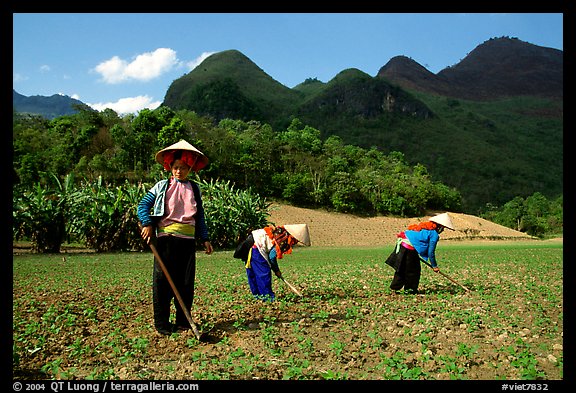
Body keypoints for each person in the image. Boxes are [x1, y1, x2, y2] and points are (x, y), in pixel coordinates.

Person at [137, 139, 214, 335]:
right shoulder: (162, 186)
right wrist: (147, 224)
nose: (179, 171)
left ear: (190, 169)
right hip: (167, 240)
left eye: (184, 167)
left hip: (187, 242)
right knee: (162, 281)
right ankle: (162, 324)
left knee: (186, 283)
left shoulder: (194, 189)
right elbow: (143, 205)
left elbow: (200, 216)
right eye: (176, 167)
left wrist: (204, 238)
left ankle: (182, 322)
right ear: (170, 167)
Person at [234, 224, 310, 301]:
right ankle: (267, 298)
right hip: (257, 248)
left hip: (252, 245)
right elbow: (272, 256)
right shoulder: (284, 238)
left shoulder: (280, 231)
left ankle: (257, 296)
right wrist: (276, 270)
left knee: (253, 273)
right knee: (264, 273)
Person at [385, 212, 454, 294]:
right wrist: (434, 266)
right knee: (413, 270)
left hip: (402, 245)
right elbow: (431, 252)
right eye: (443, 228)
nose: (442, 230)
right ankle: (410, 291)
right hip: (409, 248)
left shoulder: (425, 227)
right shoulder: (434, 235)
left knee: (402, 268)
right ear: (440, 227)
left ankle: (394, 288)